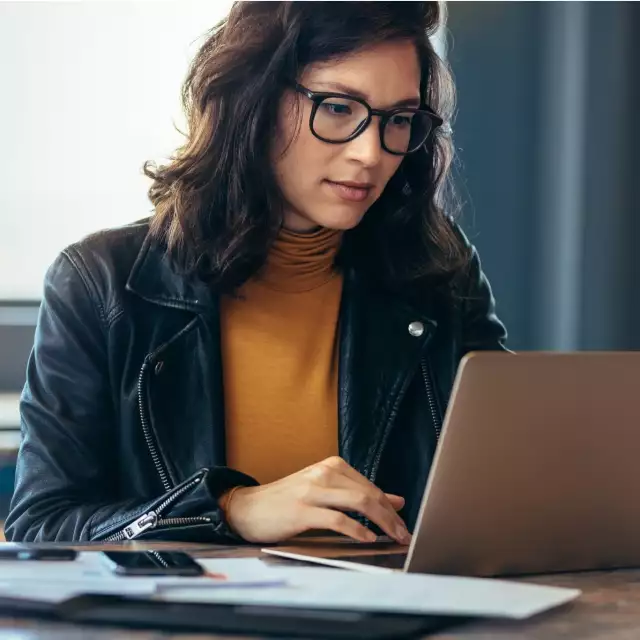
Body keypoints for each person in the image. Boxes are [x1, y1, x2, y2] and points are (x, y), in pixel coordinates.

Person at [5, 1, 507, 544]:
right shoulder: (99, 282)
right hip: (190, 625)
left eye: (399, 120)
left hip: (394, 618)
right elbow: (41, 526)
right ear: (254, 100)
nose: (371, 153)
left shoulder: (437, 271)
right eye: (339, 108)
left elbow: (511, 481)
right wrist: (231, 508)